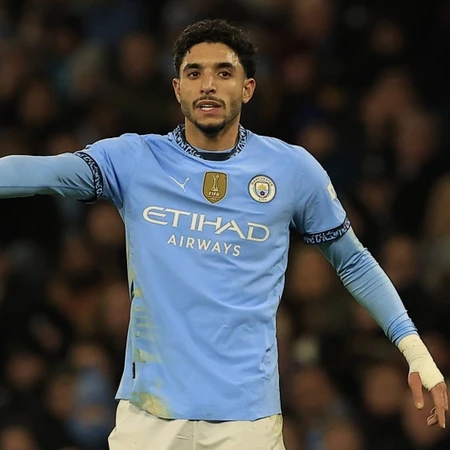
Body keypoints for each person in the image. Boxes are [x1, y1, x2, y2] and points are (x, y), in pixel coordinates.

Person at [0, 18, 448, 450]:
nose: (208, 85)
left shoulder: (291, 169)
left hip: (246, 424)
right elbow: (42, 173)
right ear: (177, 88)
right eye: (194, 73)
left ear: (247, 88)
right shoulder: (135, 160)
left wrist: (415, 349)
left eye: (224, 72)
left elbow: (353, 261)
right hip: (149, 419)